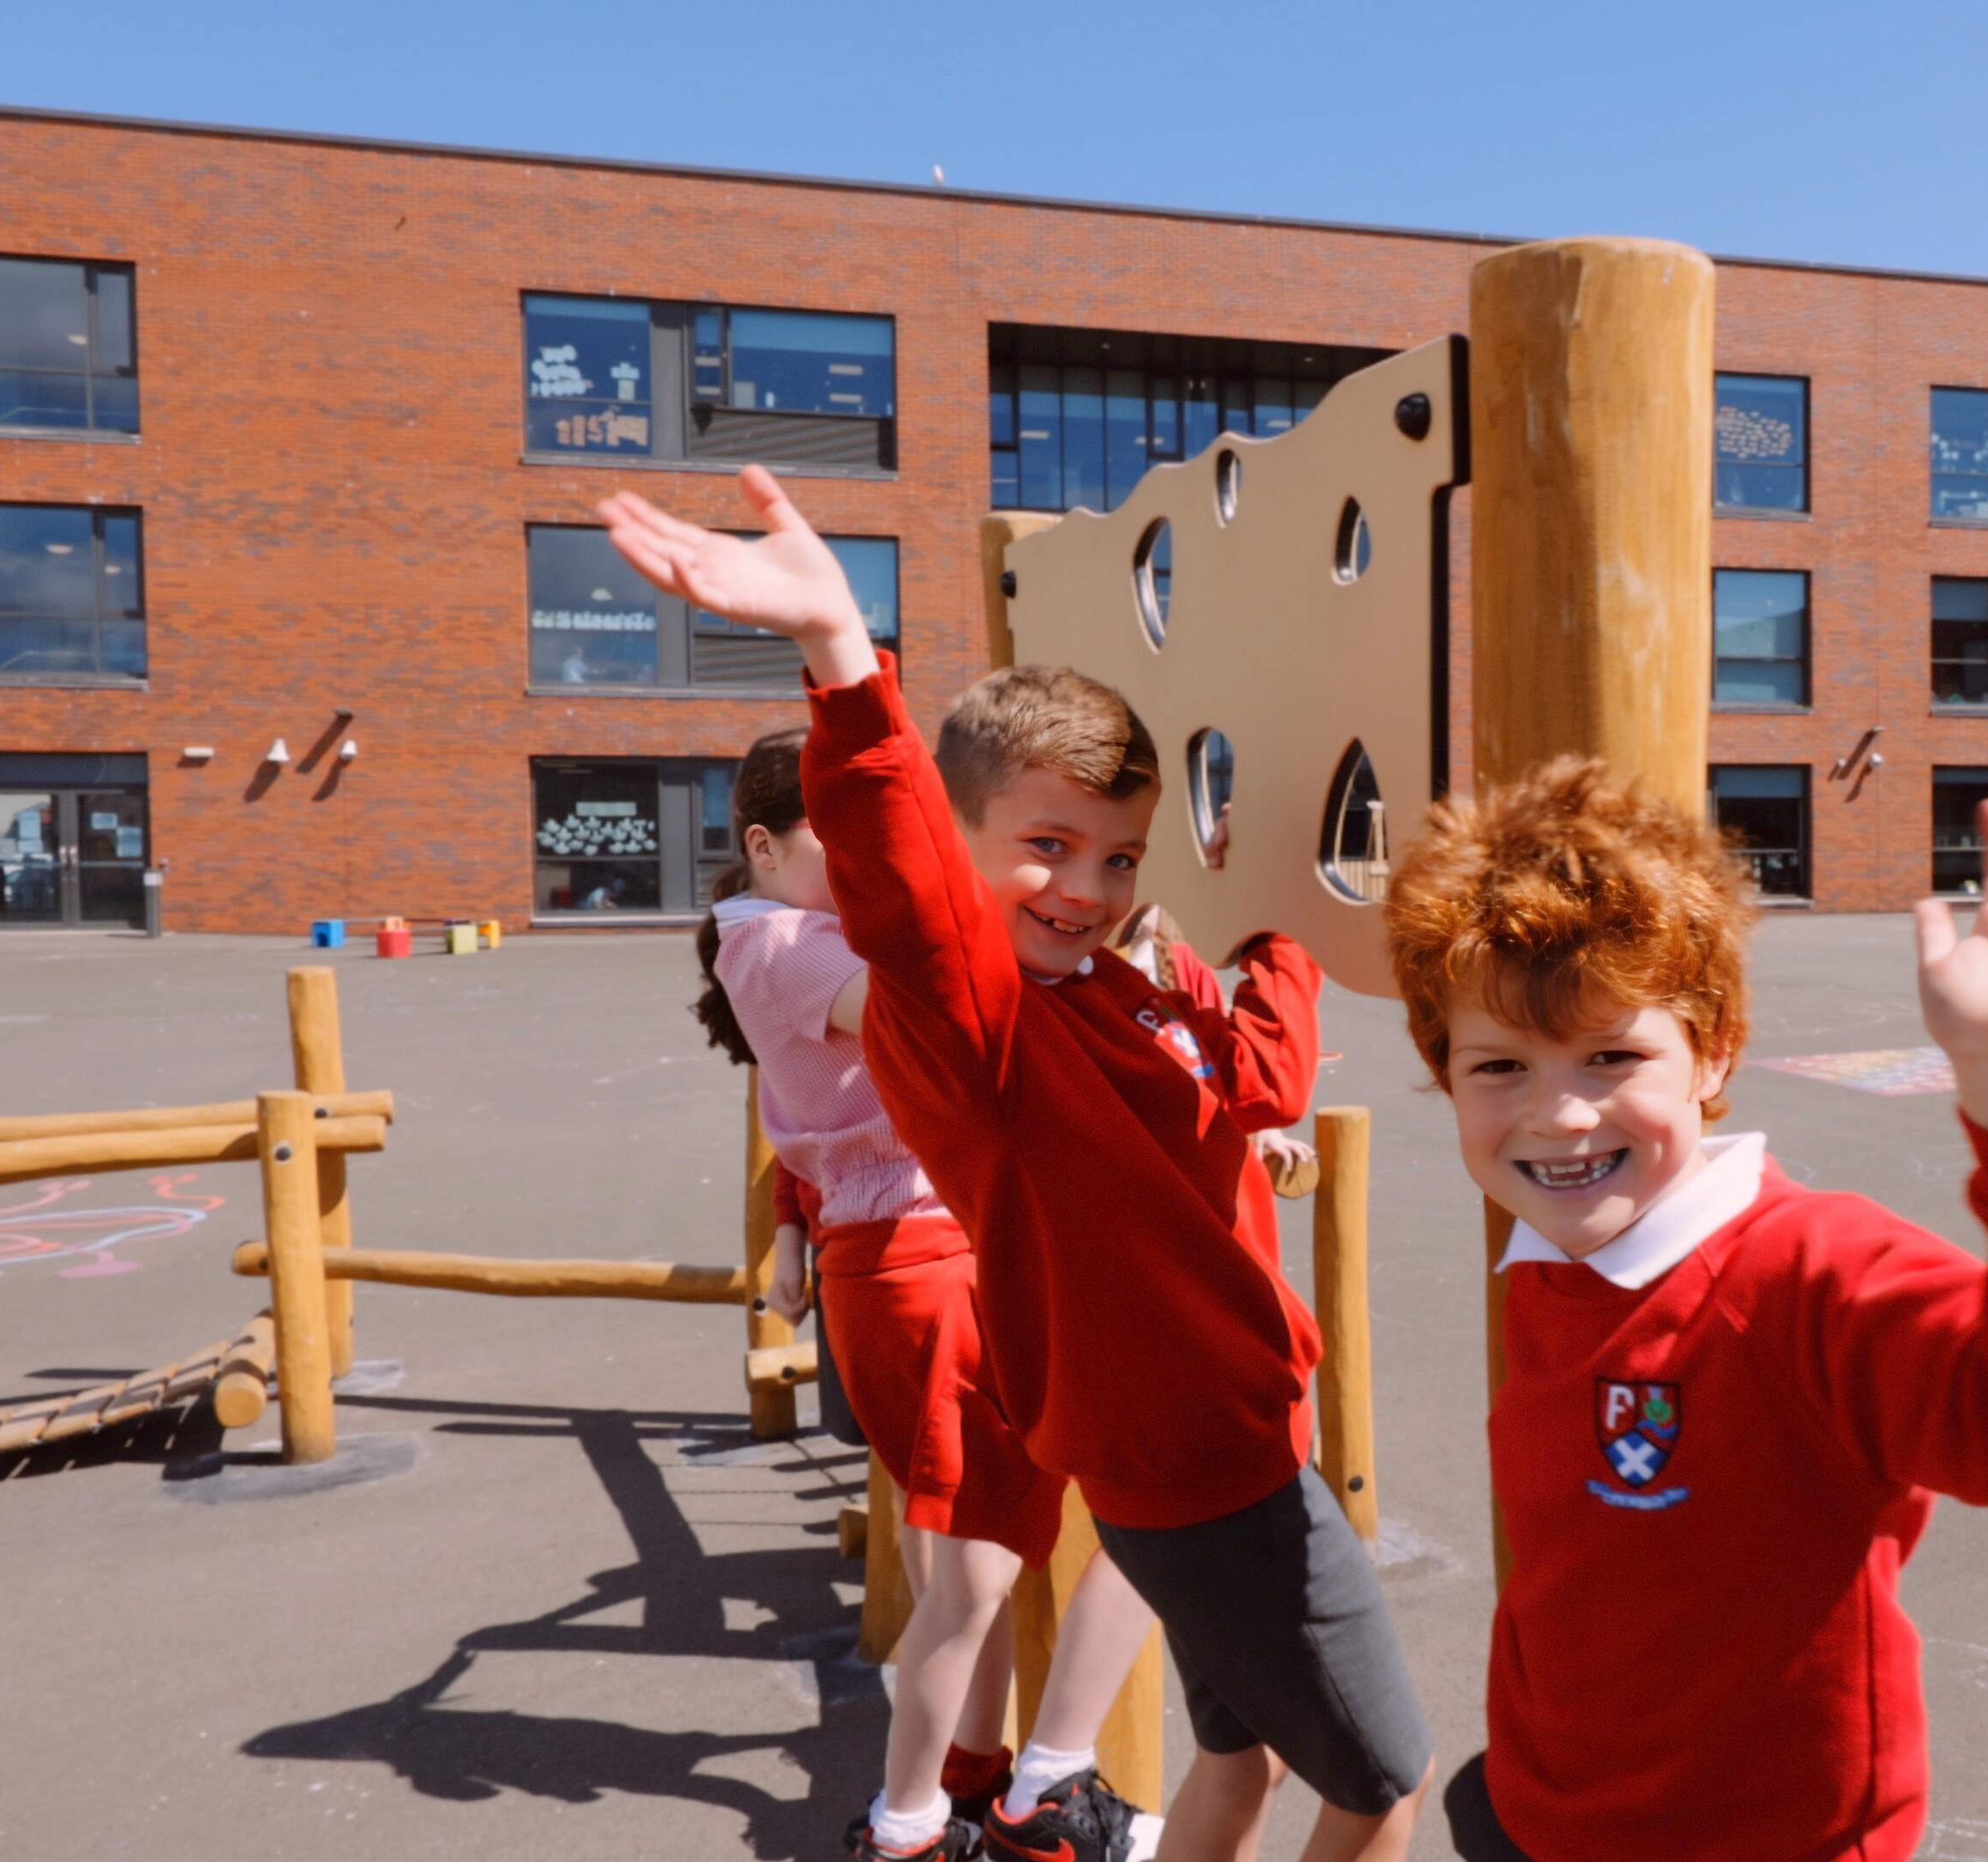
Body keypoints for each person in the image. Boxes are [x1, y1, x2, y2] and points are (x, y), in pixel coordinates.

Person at [602, 467, 1430, 1862]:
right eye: (1044, 849)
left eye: (1120, 857)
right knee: (1384, 1781)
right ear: (960, 853)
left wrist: (1271, 937)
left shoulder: (1115, 990)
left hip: (1233, 1445)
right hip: (1200, 1474)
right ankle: (941, 1804)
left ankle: (1030, 1779)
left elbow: (1258, 1073)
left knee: (1245, 1768)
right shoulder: (978, 1028)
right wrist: (836, 653)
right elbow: (905, 881)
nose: (1090, 890)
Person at [1380, 760, 1988, 1862]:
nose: (1559, 1114)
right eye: (1500, 1065)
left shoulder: (1808, 1272)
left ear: (1714, 1052)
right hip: (1543, 1810)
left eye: (1613, 1055)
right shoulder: (1555, 1253)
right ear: (1446, 1073)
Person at [691, 727, 1156, 1862]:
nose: (869, 869)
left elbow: (810, 1121)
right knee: (989, 1559)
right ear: (761, 846)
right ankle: (924, 1823)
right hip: (918, 1257)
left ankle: (968, 1773)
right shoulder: (775, 945)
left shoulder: (807, 930)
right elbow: (929, 1023)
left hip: (934, 1247)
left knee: (983, 1552)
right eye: (839, 846)